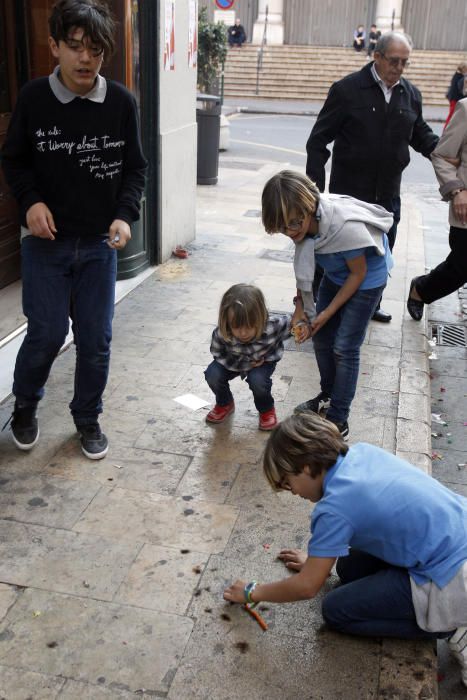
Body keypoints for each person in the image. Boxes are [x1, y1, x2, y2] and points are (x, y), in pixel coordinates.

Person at [1, 0, 147, 459]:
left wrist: (124, 214)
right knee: (45, 333)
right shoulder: (33, 99)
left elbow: (134, 171)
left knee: (96, 339)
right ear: (55, 47)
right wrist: (31, 203)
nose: (86, 59)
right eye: (76, 47)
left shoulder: (121, 103)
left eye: (96, 49)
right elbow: (15, 160)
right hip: (46, 246)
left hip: (100, 246)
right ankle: (25, 405)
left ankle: (87, 417)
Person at [223, 413, 467, 688]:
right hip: (458, 530)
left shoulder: (334, 508)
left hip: (452, 575)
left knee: (337, 611)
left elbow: (306, 588)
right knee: (348, 567)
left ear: (304, 467)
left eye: (286, 483)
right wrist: (316, 562)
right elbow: (366, 516)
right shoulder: (360, 454)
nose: (291, 492)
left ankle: (452, 627)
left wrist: (252, 592)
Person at [306, 32, 438, 323]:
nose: (399, 68)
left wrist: (450, 153)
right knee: (336, 252)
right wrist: (315, 192)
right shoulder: (347, 90)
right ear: (376, 57)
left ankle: (370, 303)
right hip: (349, 194)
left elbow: (422, 136)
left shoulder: (410, 94)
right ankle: (319, 304)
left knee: (381, 252)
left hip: (387, 195)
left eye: (405, 62)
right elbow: (317, 140)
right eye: (394, 61)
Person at [261, 171, 393, 440]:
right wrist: (301, 307)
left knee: (344, 346)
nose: (291, 232)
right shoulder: (303, 225)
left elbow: (358, 275)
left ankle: (338, 418)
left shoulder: (344, 227)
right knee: (320, 337)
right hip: (337, 273)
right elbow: (304, 267)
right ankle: (329, 394)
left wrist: (326, 312)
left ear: (309, 207)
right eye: (283, 228)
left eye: (295, 224)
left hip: (366, 279)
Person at [407, 98, 467, 321]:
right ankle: (421, 290)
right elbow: (441, 155)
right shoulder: (465, 109)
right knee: (461, 267)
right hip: (466, 207)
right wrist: (457, 191)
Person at [204, 284, 292, 431]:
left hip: (263, 362)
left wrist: (302, 327)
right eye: (236, 327)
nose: (243, 333)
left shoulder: (273, 325)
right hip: (233, 361)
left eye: (250, 326)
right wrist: (245, 365)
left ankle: (266, 409)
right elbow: (217, 353)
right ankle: (224, 402)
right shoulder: (221, 333)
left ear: (262, 318)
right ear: (226, 321)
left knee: (258, 381)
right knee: (212, 374)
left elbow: (294, 322)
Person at [444, 63, 467, 129]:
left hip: (453, 99)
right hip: (455, 99)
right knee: (451, 115)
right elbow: (460, 89)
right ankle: (446, 129)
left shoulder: (456, 76)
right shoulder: (460, 77)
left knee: (452, 115)